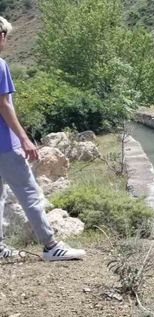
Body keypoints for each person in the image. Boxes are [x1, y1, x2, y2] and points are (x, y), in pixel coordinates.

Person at [0, 17, 85, 261]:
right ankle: (50, 246)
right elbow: (4, 105)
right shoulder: (0, 65)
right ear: (1, 35)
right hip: (5, 144)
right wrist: (24, 139)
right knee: (29, 192)